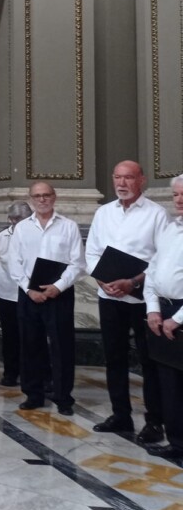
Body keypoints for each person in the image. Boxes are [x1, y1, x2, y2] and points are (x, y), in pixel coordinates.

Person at [87, 160, 169, 444]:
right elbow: (92, 252)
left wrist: (132, 282)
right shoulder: (103, 213)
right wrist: (102, 281)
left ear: (142, 181)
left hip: (143, 298)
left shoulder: (157, 215)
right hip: (108, 296)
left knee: (149, 361)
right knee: (114, 358)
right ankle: (120, 413)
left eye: (129, 178)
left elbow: (161, 259)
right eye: (117, 177)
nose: (122, 184)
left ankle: (154, 421)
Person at [9, 182, 84, 415]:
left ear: (54, 197)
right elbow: (14, 262)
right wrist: (29, 290)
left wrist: (58, 286)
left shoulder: (69, 227)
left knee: (62, 347)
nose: (42, 200)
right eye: (37, 196)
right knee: (31, 345)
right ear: (31, 199)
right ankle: (33, 394)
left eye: (46, 195)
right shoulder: (22, 228)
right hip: (29, 294)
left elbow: (78, 263)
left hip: (59, 294)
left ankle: (63, 397)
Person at [144, 174, 183, 461]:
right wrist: (153, 309)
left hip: (180, 315)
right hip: (163, 312)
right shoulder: (170, 230)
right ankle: (176, 441)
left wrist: (178, 319)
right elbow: (152, 271)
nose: (179, 201)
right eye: (176, 196)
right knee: (168, 384)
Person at [0, 201, 33, 387]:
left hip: (30, 292)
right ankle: (10, 373)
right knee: (10, 334)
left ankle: (31, 372)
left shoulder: (36, 236)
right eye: (14, 220)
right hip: (6, 292)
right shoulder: (1, 238)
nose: (16, 223)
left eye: (21, 219)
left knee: (31, 335)